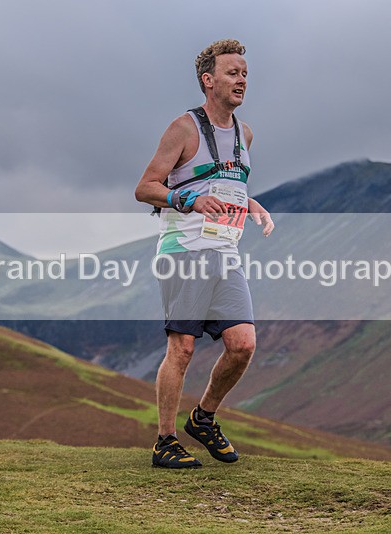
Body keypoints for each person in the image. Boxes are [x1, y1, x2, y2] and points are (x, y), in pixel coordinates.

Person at [135, 39, 274, 468]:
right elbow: (145, 188)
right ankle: (164, 441)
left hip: (224, 252)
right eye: (232, 73)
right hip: (184, 250)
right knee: (183, 347)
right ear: (208, 80)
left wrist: (249, 204)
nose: (242, 81)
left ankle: (204, 417)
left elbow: (229, 185)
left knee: (243, 344)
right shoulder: (184, 129)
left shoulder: (245, 134)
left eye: (245, 74)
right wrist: (189, 200)